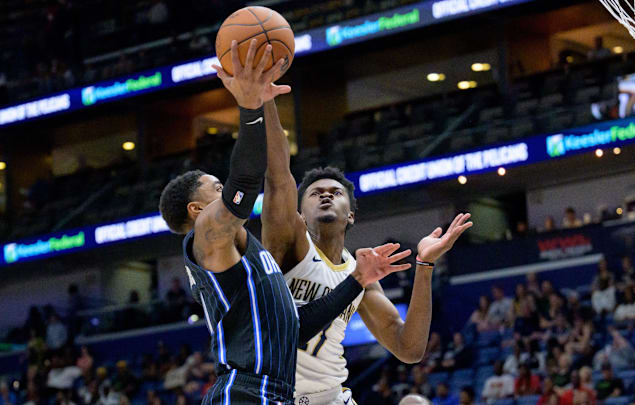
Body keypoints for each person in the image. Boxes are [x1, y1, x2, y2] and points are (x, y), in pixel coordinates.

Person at [159, 40, 413, 405]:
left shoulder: (251, 256)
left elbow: (295, 327)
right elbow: (248, 180)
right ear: (197, 210)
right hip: (244, 393)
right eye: (217, 187)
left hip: (272, 394)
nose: (225, 188)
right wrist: (250, 107)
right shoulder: (207, 238)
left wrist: (357, 280)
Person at [243, 42, 474, 405]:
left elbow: (409, 349)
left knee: (415, 402)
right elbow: (278, 175)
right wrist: (265, 98)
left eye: (335, 192)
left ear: (351, 214)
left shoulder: (359, 272)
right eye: (315, 192)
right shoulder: (288, 241)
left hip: (334, 397)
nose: (325, 195)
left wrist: (425, 265)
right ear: (299, 214)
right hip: (278, 397)